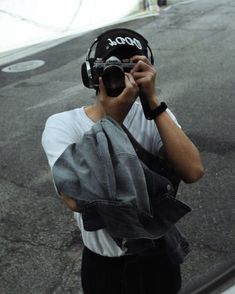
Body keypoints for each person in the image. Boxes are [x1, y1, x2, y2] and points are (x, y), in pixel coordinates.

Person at [42, 28, 204, 294]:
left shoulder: (154, 116)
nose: (122, 77)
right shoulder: (63, 124)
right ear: (92, 75)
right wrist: (112, 120)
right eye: (112, 67)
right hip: (104, 265)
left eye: (132, 67)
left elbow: (193, 170)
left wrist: (152, 99)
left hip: (158, 257)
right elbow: (73, 199)